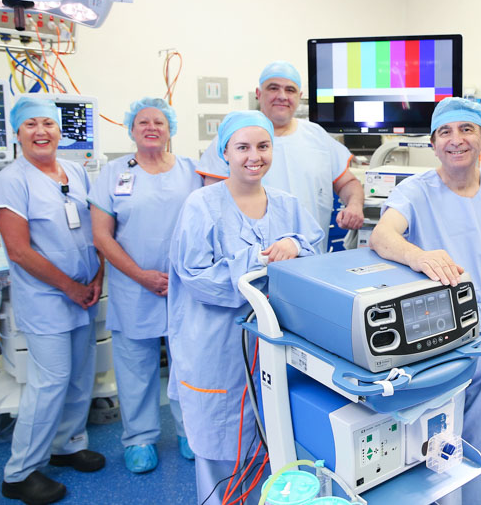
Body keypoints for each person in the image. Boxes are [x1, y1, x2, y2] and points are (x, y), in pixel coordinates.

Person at [370, 97, 481, 505]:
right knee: (441, 433)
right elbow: (381, 236)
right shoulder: (416, 191)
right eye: (445, 131)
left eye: (466, 130)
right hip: (446, 324)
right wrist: (417, 254)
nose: (456, 140)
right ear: (432, 142)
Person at [168, 110, 323, 505]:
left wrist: (296, 245)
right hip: (216, 347)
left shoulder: (288, 206)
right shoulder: (201, 205)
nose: (254, 156)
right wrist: (261, 259)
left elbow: (314, 251)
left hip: (276, 344)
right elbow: (197, 277)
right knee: (221, 449)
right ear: (224, 152)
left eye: (263, 146)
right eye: (242, 147)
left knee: (278, 445)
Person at [0, 97, 105, 505]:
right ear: (17, 133)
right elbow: (20, 251)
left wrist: (97, 276)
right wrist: (71, 287)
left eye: (48, 124)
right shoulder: (11, 179)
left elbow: (97, 227)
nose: (41, 132)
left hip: (83, 293)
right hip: (46, 299)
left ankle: (68, 445)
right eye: (30, 125)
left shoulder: (75, 171)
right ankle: (19, 472)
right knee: (50, 382)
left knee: (78, 375)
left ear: (60, 130)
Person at [88, 98, 201, 473]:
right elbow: (102, 237)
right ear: (131, 130)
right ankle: (139, 439)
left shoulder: (191, 170)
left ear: (171, 129)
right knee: (135, 367)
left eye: (159, 122)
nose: (151, 127)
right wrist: (141, 275)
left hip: (184, 287)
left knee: (189, 365)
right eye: (142, 122)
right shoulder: (113, 173)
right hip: (133, 287)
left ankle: (191, 432)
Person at [196, 61, 363, 252]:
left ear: (299, 96)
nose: (282, 96)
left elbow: (348, 182)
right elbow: (213, 200)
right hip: (248, 260)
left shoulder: (317, 136)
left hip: (309, 253)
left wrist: (355, 205)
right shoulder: (234, 135)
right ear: (259, 94)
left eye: (290, 90)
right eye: (273, 88)